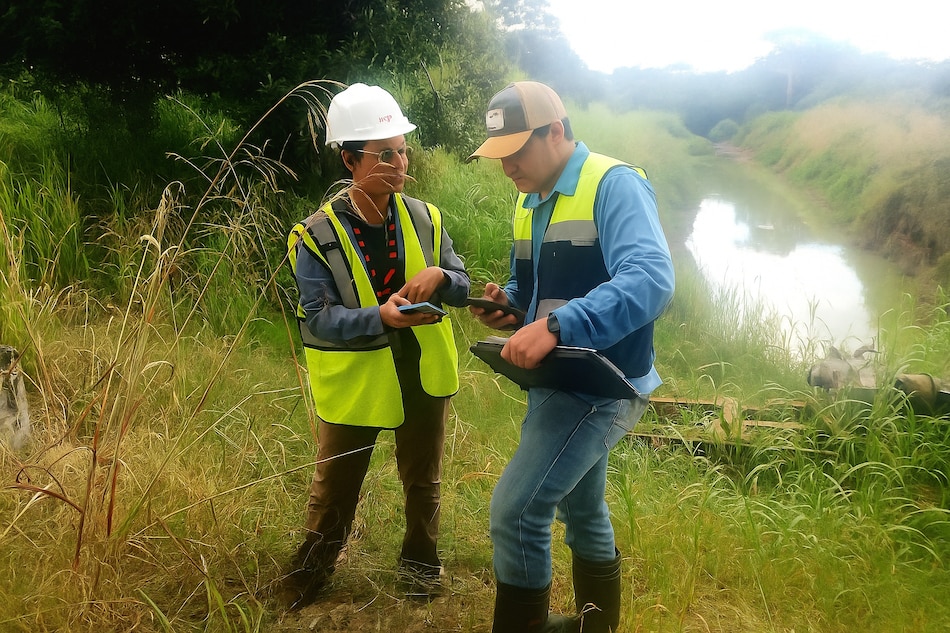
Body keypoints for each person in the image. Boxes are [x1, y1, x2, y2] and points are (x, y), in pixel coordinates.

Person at [467, 81, 675, 632]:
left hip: (601, 384)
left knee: (516, 511)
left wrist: (560, 325)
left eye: (516, 150)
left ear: (555, 130)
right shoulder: (529, 198)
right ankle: (596, 626)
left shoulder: (615, 185)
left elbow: (651, 279)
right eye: (499, 155)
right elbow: (533, 290)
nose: (507, 166)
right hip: (559, 378)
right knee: (582, 510)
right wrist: (510, 308)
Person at [282, 83, 470, 609]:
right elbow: (318, 320)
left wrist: (442, 278)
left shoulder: (427, 218)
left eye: (403, 150)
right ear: (350, 160)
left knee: (423, 479)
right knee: (335, 485)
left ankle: (420, 567)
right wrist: (379, 318)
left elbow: (461, 280)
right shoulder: (314, 235)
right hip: (360, 377)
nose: (399, 162)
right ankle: (310, 575)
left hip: (422, 368)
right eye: (384, 153)